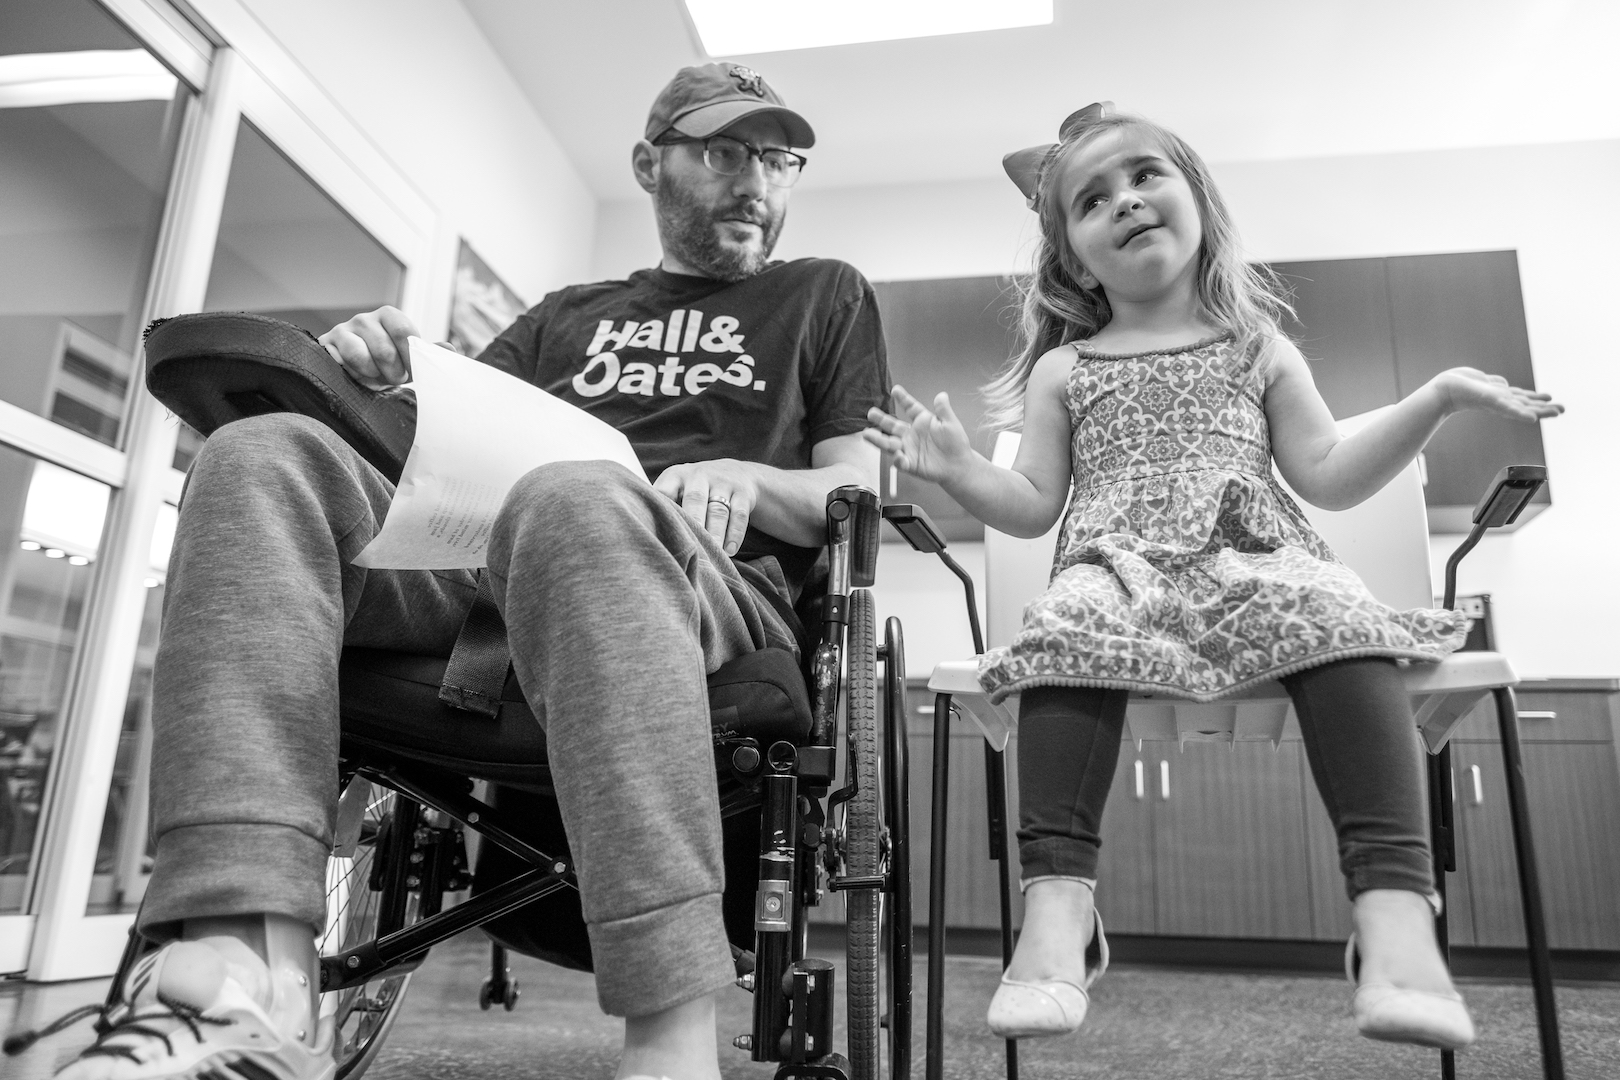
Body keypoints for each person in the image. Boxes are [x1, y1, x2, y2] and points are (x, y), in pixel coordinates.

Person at [48, 63, 888, 1080]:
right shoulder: (560, 317)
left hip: (706, 582)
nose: (757, 178)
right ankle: (232, 980)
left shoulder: (824, 293)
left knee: (577, 497)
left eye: (778, 157)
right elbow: (437, 447)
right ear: (648, 163)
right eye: (724, 151)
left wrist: (742, 473)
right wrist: (383, 375)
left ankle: (671, 1043)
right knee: (261, 455)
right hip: (491, 570)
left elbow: (856, 488)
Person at [864, 103, 1561, 1051]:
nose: (1126, 202)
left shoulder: (1259, 346)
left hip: (1258, 563)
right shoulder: (1064, 370)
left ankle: (1397, 914)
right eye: (1092, 199)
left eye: (1146, 175)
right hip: (1114, 575)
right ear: (1071, 255)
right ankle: (1058, 909)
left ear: (1199, 199)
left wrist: (1433, 397)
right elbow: (1031, 502)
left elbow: (1328, 476)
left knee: (1334, 607)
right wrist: (955, 471)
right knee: (1063, 626)